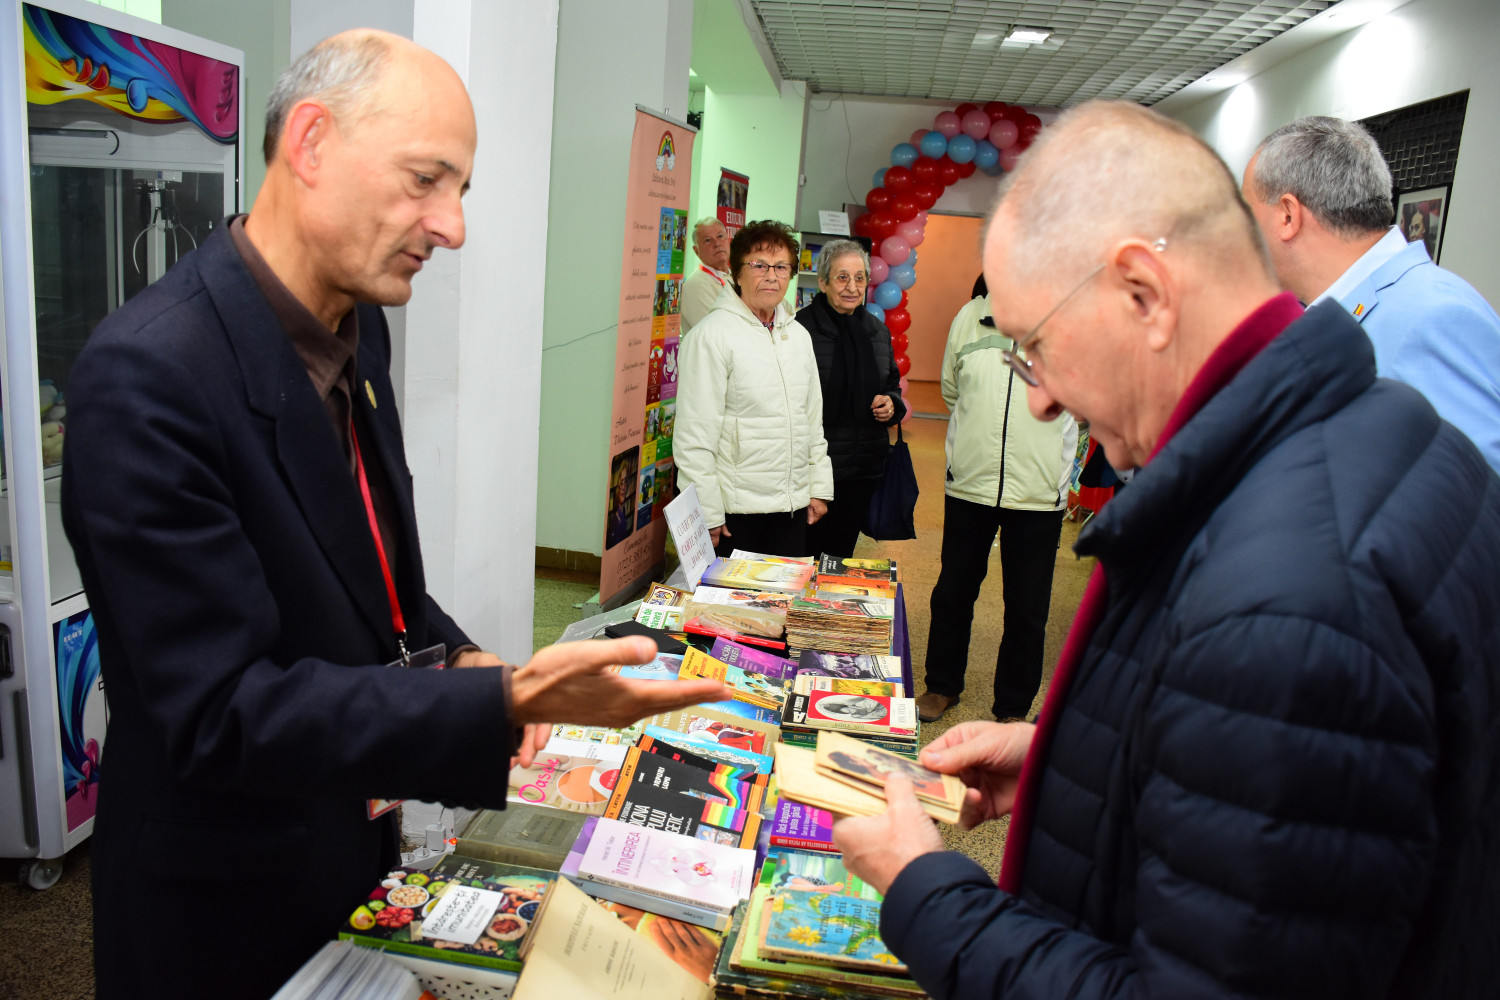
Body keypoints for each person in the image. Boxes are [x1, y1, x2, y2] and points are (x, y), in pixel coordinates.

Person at [60, 32, 725, 999]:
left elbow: (370, 577)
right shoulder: (148, 377)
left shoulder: (357, 323)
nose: (451, 226)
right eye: (425, 180)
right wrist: (499, 705)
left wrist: (460, 657)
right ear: (312, 142)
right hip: (222, 903)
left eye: (460, 189)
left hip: (346, 845)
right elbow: (218, 713)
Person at [831, 100, 1500, 999]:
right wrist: (1076, 755)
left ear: (1144, 295)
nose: (1040, 399)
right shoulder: (1379, 427)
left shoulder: (1289, 604)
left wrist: (927, 893)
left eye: (1035, 347)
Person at [1242, 115, 1500, 472]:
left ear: (1288, 216)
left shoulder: (1430, 317)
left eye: (1246, 213)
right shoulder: (1343, 314)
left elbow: (1480, 490)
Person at [915, 284, 1076, 724]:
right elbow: (952, 391)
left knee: (1028, 609)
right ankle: (942, 685)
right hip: (971, 485)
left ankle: (1013, 708)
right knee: (953, 593)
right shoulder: (969, 317)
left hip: (1038, 492)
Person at [675, 219, 833, 558]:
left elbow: (811, 420)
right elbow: (694, 437)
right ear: (737, 272)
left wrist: (818, 486)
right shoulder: (711, 336)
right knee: (730, 595)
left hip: (791, 508)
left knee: (786, 592)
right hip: (734, 514)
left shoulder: (798, 336)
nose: (771, 276)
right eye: (759, 265)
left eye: (781, 267)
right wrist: (708, 511)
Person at [796, 239, 905, 557]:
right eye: (842, 277)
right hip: (813, 469)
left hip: (862, 468)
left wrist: (891, 404)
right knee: (804, 558)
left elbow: (892, 385)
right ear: (823, 282)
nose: (852, 287)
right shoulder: (800, 330)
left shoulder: (876, 331)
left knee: (839, 559)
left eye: (859, 278)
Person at [680, 217, 732, 332]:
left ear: (728, 240)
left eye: (720, 236)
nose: (717, 243)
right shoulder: (695, 286)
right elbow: (718, 332)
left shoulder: (736, 278)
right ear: (696, 251)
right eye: (708, 240)